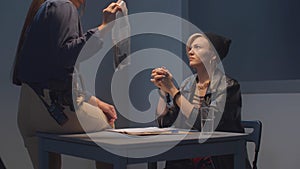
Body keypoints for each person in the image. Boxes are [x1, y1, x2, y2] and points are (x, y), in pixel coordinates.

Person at [12, 0, 124, 168]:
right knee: (107, 124)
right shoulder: (64, 6)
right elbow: (66, 56)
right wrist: (104, 27)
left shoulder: (45, 9)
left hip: (28, 112)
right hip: (51, 111)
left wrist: (98, 103)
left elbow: (53, 76)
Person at [151, 32, 251, 169]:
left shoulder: (229, 86)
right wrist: (163, 90)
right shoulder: (187, 85)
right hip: (187, 157)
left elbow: (205, 124)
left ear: (213, 55)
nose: (191, 52)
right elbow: (164, 122)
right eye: (190, 48)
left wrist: (173, 91)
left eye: (197, 47)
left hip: (216, 159)